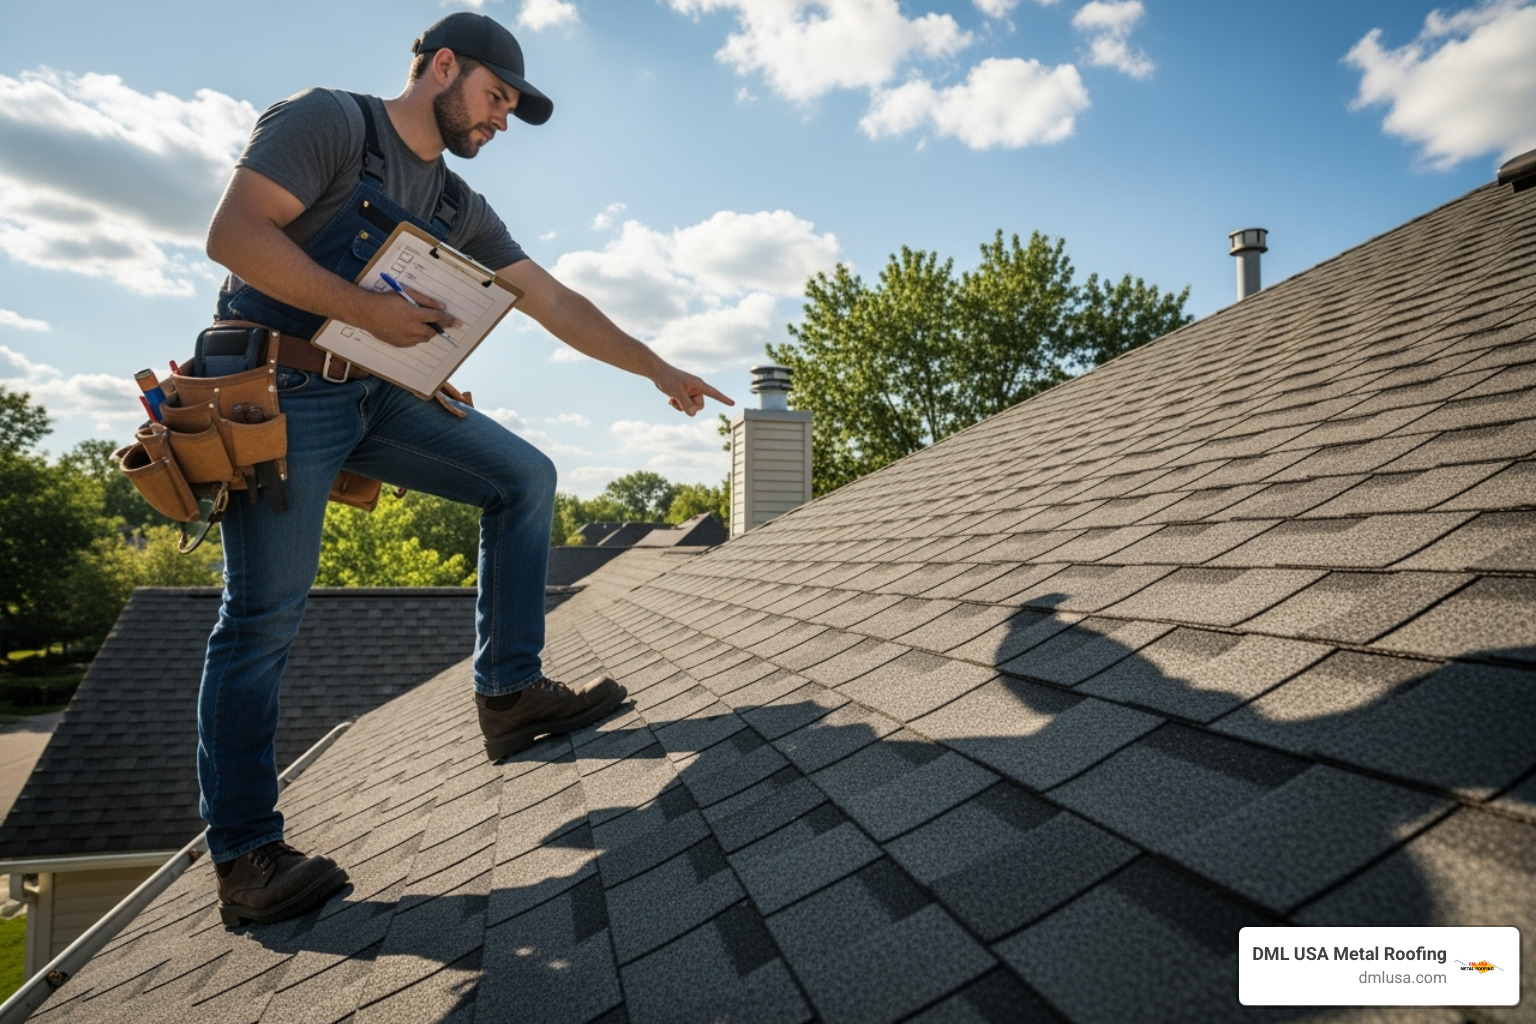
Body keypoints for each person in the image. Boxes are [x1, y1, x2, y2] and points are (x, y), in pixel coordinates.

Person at [198, 11, 732, 927]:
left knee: (522, 477)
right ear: (441, 66)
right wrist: (366, 315)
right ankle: (247, 856)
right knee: (262, 620)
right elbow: (236, 236)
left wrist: (658, 367)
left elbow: (552, 298)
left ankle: (510, 695)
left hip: (373, 392)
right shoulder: (330, 121)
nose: (499, 122)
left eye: (511, 111)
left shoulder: (455, 205)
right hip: (276, 390)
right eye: (494, 99)